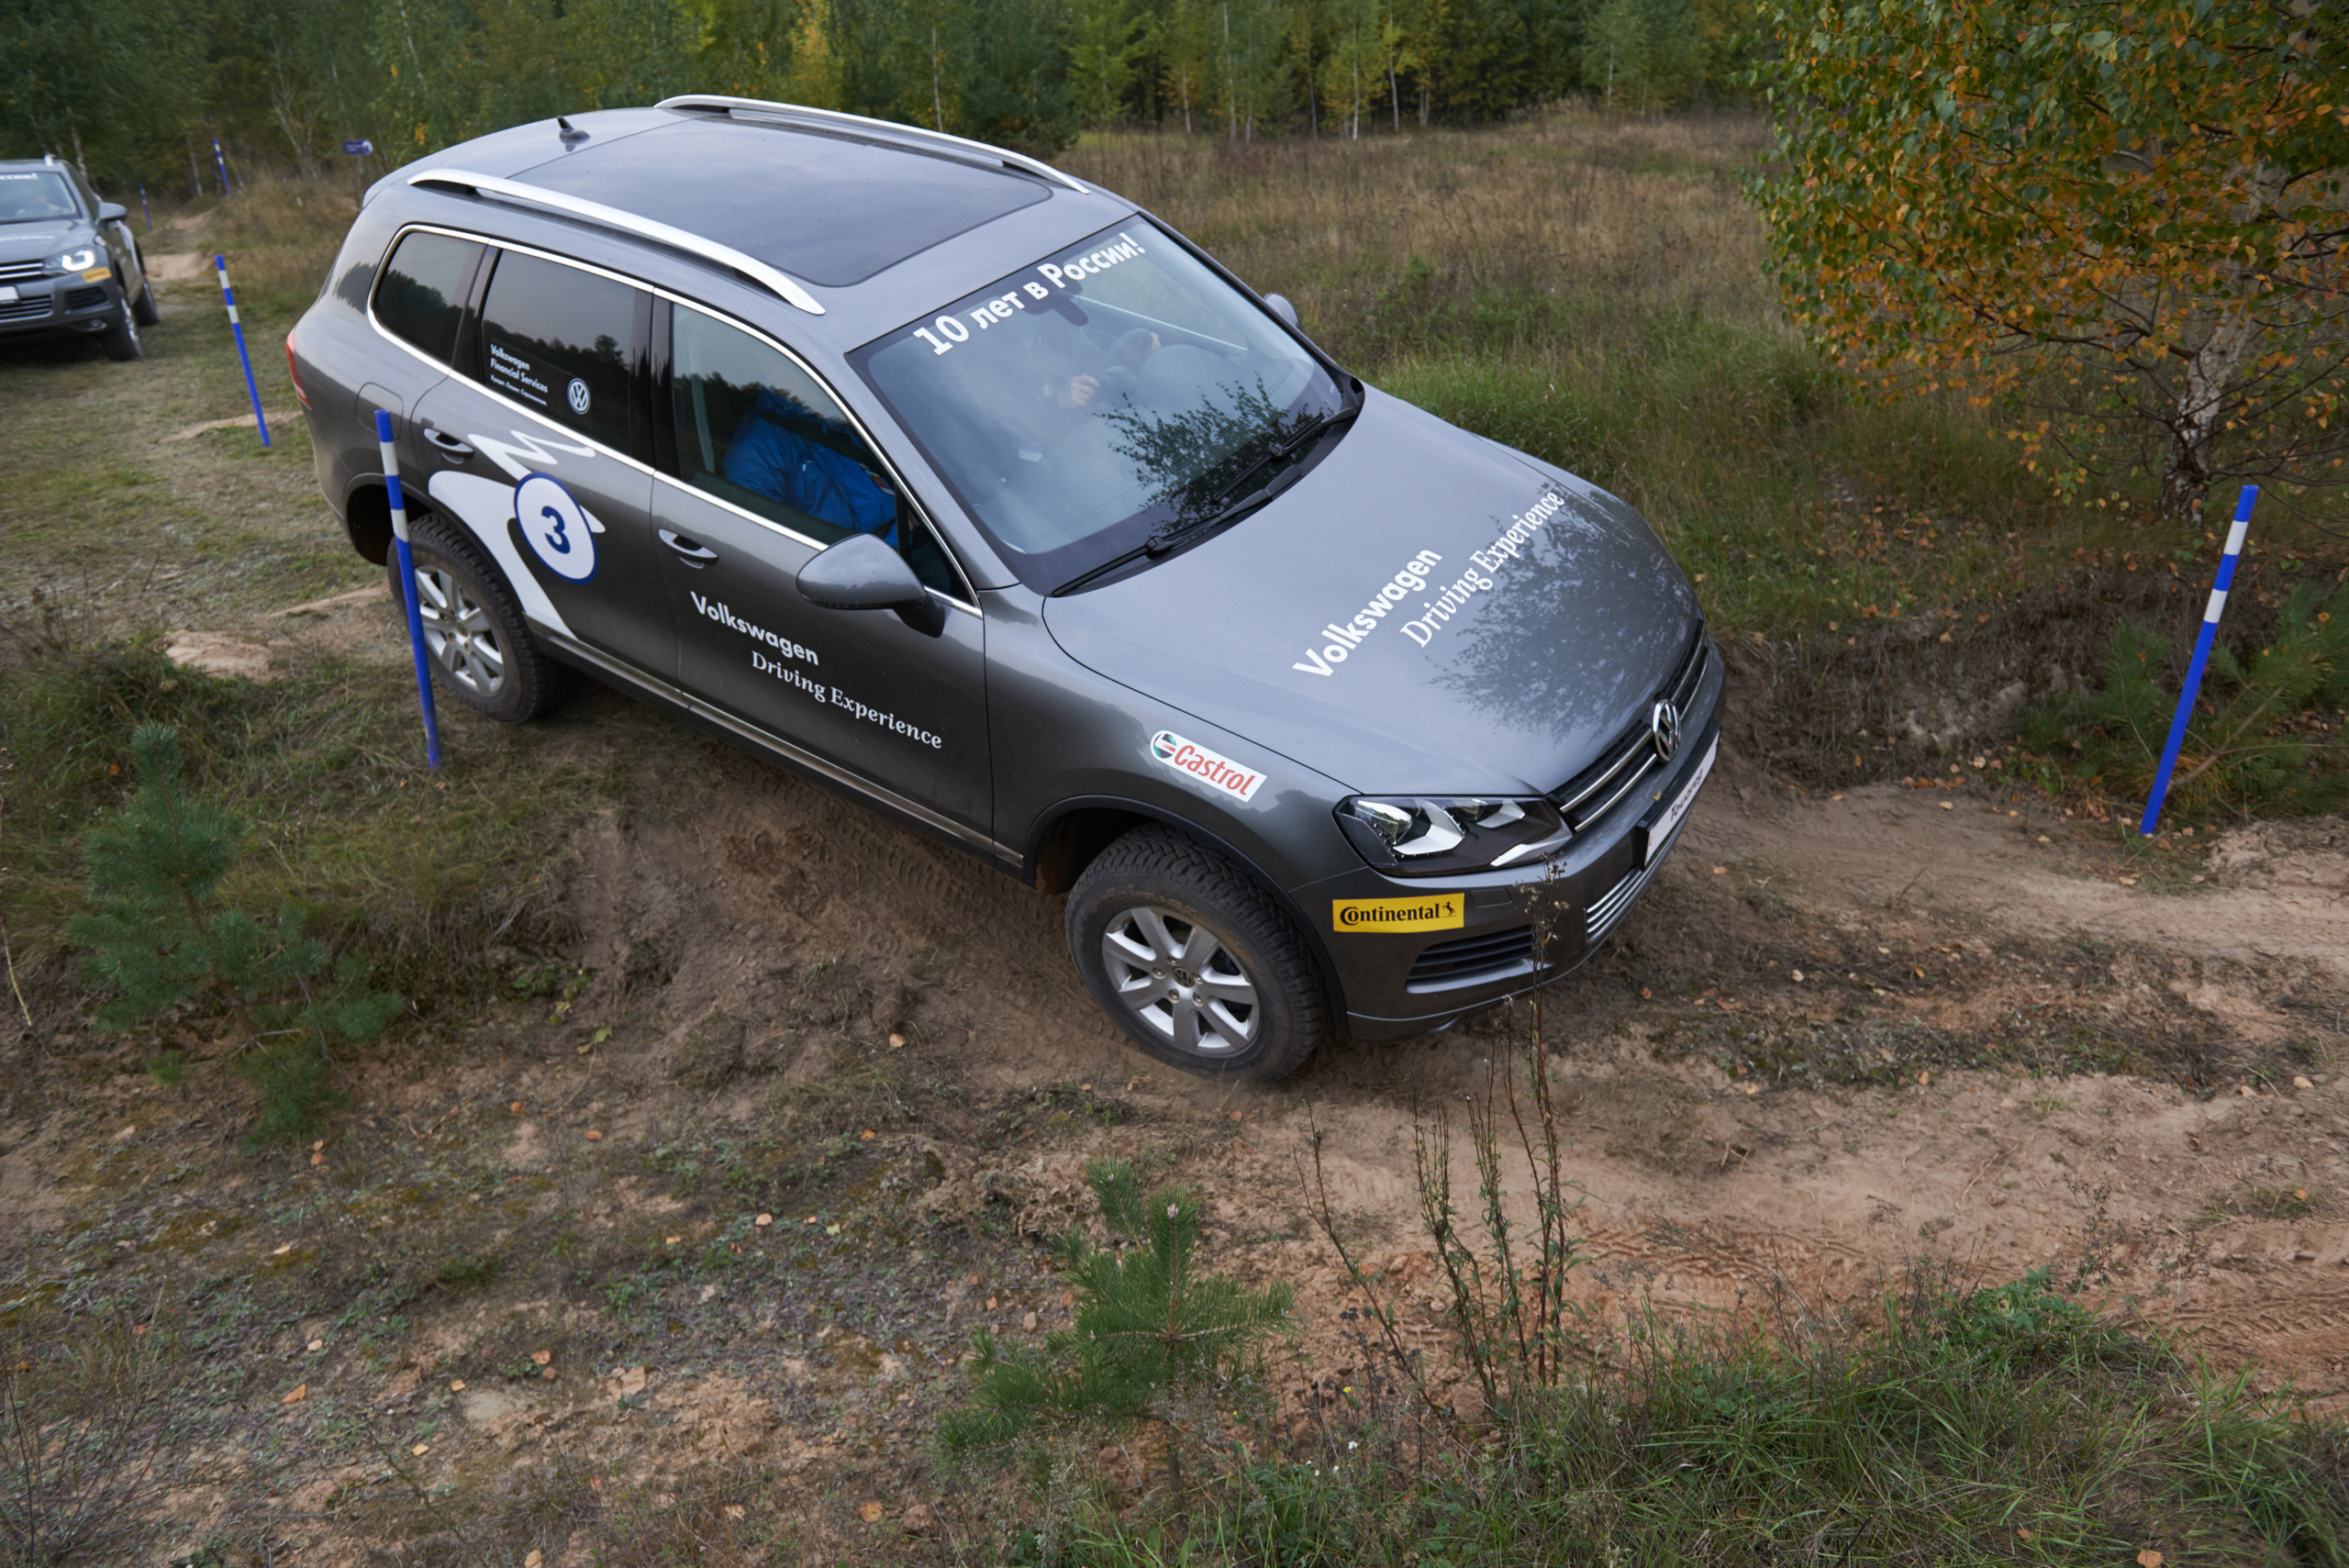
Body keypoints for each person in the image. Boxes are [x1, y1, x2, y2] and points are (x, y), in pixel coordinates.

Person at [723, 385, 898, 542]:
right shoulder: (756, 453)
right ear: (771, 366)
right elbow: (768, 548)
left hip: (906, 527)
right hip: (870, 556)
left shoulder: (827, 412)